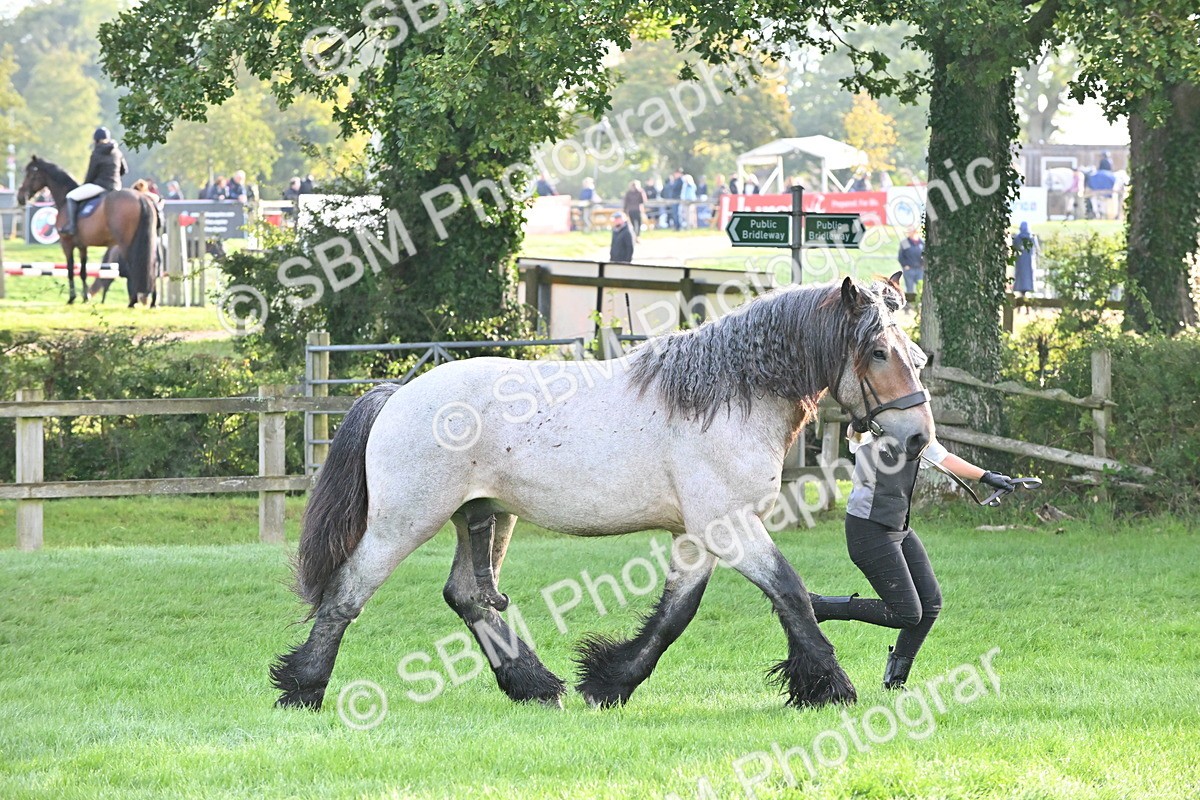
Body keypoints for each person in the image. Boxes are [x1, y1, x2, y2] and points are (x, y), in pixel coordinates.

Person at [809, 337, 1020, 689]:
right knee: (907, 611)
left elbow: (942, 457)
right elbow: (855, 432)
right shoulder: (870, 431)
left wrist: (987, 476)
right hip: (868, 530)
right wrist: (860, 422)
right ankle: (821, 607)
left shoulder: (912, 432)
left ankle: (895, 682)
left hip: (899, 528)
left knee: (930, 604)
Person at [60, 127, 129, 235]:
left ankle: (72, 227)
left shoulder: (97, 153)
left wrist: (82, 186)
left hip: (100, 186)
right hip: (116, 187)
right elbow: (124, 170)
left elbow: (91, 175)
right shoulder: (117, 152)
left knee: (71, 196)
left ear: (96, 140)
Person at [1012, 221, 1039, 301]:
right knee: (1028, 278)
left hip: (1020, 262)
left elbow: (1014, 247)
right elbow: (1036, 249)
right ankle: (1027, 303)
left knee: (1020, 278)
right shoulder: (1032, 237)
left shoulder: (1017, 238)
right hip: (1029, 262)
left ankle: (1020, 301)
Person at [897, 228, 924, 294]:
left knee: (920, 287)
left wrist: (923, 265)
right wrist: (905, 265)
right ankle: (910, 303)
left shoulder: (921, 243)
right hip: (909, 269)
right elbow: (901, 256)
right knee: (910, 288)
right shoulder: (905, 242)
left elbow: (924, 255)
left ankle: (919, 303)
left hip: (919, 269)